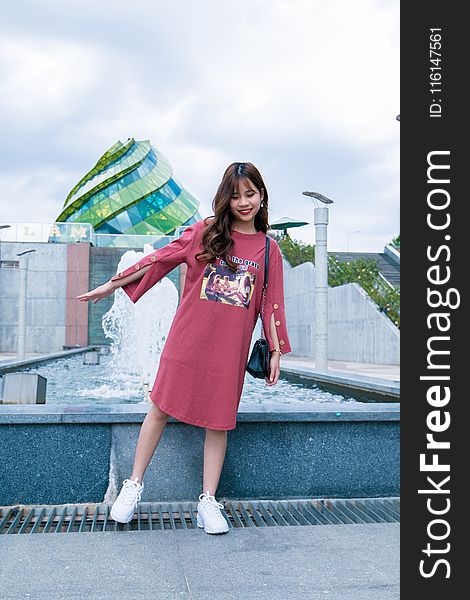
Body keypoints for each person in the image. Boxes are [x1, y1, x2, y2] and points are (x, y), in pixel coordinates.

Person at [76, 162, 292, 535]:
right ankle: (133, 486)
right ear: (226, 197)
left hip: (229, 350)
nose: (244, 202)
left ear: (262, 195)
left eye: (251, 194)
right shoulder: (205, 232)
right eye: (236, 195)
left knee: (218, 422)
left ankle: (207, 501)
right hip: (187, 341)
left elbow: (272, 304)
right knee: (159, 409)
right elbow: (161, 257)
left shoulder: (269, 250)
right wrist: (113, 284)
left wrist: (276, 350)